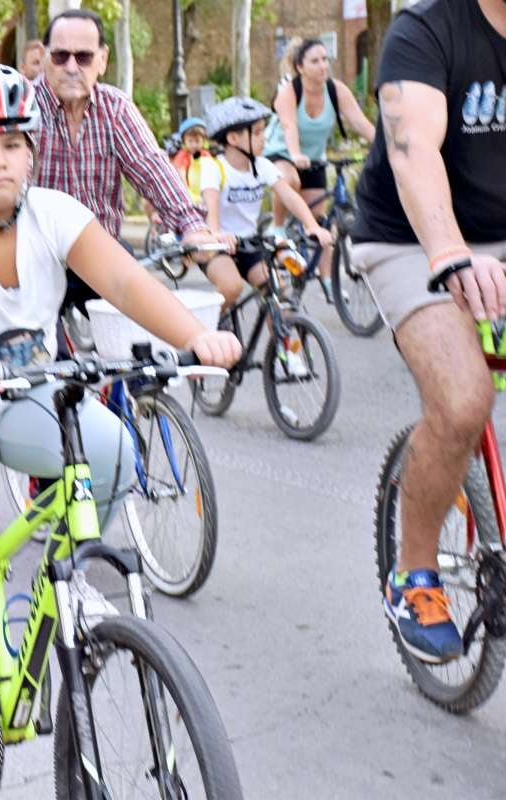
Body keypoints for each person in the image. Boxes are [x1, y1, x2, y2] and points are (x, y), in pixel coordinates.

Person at [0, 62, 240, 800]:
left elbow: (128, 283)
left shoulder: (55, 213)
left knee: (111, 451)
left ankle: (68, 592)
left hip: (20, 387)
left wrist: (195, 335)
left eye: (11, 142)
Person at [349, 0, 506, 664]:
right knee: (464, 399)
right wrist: (451, 255)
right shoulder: (426, 29)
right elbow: (413, 148)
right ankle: (416, 574)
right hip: (412, 239)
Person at [33, 8, 221, 315]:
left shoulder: (115, 107)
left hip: (99, 254)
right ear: (44, 57)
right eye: (60, 56)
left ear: (102, 60)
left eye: (83, 57)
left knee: (139, 339)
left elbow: (151, 168)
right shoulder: (23, 107)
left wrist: (191, 225)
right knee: (44, 357)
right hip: (35, 260)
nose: (70, 66)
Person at [198, 97, 333, 313]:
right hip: (216, 246)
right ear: (233, 138)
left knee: (275, 290)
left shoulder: (261, 166)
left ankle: (284, 345)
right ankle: (206, 331)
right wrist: (216, 233)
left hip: (249, 243)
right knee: (231, 288)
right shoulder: (214, 168)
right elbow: (210, 207)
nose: (265, 139)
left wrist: (312, 225)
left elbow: (289, 196)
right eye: (258, 133)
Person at [263, 38, 376, 294]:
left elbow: (361, 123)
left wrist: (386, 146)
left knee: (322, 223)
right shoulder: (289, 92)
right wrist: (294, 153)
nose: (323, 65)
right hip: (281, 153)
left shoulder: (336, 91)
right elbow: (290, 126)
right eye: (315, 61)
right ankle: (278, 227)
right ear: (300, 67)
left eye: (325, 59)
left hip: (314, 159)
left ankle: (327, 281)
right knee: (289, 180)